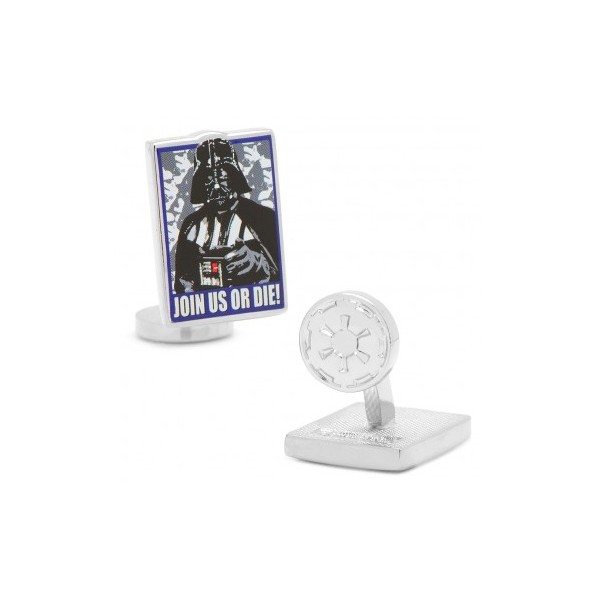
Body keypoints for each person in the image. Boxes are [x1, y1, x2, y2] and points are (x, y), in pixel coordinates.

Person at [174, 138, 280, 292]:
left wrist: (258, 263)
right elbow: (181, 281)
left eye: (223, 178)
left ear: (234, 177)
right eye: (209, 179)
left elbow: (278, 276)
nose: (217, 187)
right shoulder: (191, 225)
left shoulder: (263, 217)